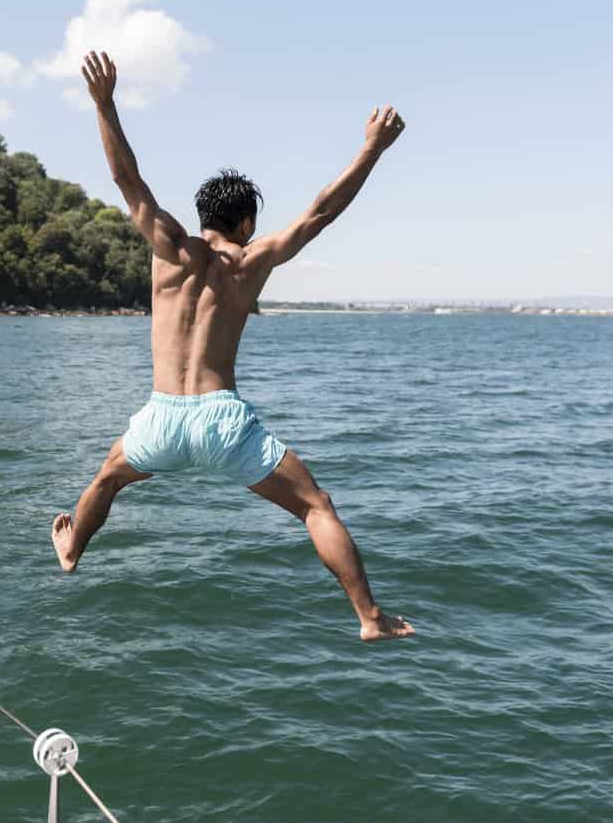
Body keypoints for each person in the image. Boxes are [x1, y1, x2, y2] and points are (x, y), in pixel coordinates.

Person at [51, 52, 413, 642]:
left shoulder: (170, 247)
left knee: (105, 482)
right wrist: (372, 147)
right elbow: (321, 212)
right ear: (246, 221)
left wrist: (104, 102)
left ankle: (70, 551)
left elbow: (127, 182)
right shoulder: (252, 261)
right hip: (225, 420)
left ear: (201, 215)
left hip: (163, 415)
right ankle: (370, 618)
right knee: (315, 507)